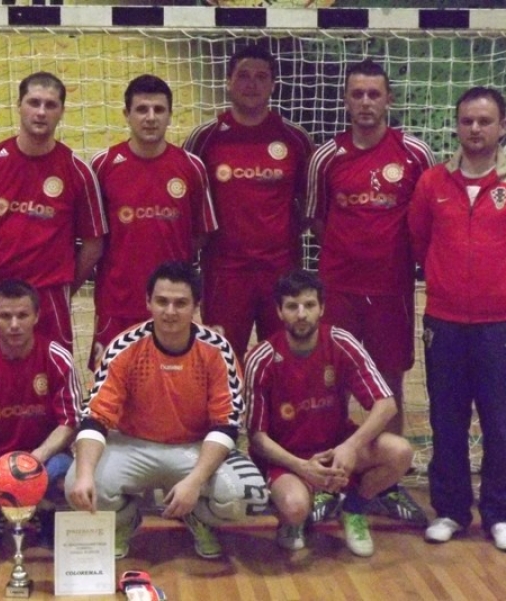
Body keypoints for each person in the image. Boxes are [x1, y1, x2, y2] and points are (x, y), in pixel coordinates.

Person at [408, 87, 506, 552]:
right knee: (446, 420)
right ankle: (451, 510)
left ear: (502, 126)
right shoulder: (432, 183)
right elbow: (419, 243)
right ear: (457, 125)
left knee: (501, 421)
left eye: (485, 121)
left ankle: (500, 514)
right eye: (467, 120)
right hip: (444, 322)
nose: (475, 129)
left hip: (501, 326)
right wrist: (447, 283)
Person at [66, 261, 269, 560]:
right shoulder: (124, 347)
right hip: (133, 445)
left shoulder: (218, 350)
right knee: (76, 484)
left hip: (195, 448)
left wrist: (194, 482)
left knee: (250, 496)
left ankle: (195, 514)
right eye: (162, 301)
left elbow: (226, 424)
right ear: (148, 302)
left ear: (196, 306)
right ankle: (126, 520)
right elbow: (95, 418)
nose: (170, 311)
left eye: (181, 303)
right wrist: (85, 475)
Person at [305, 59, 434, 525]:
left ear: (388, 99)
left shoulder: (414, 154)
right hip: (339, 289)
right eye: (357, 94)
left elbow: (427, 219)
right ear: (345, 100)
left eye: (373, 94)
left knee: (389, 382)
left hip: (391, 291)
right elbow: (317, 220)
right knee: (332, 385)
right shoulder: (326, 157)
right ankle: (332, 480)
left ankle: (384, 483)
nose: (365, 102)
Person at [244, 269, 413, 557]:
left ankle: (354, 508)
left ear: (322, 308)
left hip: (337, 448)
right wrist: (302, 467)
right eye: (292, 306)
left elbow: (386, 404)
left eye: (309, 305)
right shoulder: (261, 358)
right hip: (288, 457)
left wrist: (350, 447)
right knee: (294, 507)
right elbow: (257, 438)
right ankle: (293, 519)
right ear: (279, 311)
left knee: (400, 452)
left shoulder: (340, 342)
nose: (301, 314)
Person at [0, 71, 107, 354]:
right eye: (34, 102)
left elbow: (93, 244)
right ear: (19, 105)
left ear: (61, 111)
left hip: (49, 297)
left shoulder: (77, 171)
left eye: (50, 105)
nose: (41, 112)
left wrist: (64, 287)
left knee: (50, 376)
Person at [184, 44, 314, 359]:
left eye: (261, 77)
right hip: (224, 274)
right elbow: (189, 208)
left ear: (273, 84)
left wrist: (282, 237)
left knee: (283, 360)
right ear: (228, 82)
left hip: (280, 271)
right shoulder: (205, 138)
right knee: (221, 360)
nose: (252, 84)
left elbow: (310, 203)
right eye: (243, 76)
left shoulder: (295, 139)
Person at [89, 74, 217, 369]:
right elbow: (93, 236)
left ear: (170, 115)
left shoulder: (191, 166)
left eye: (159, 110)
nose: (150, 118)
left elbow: (200, 234)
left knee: (171, 385)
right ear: (127, 114)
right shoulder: (102, 165)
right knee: (109, 387)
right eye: (141, 109)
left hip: (172, 307)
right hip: (117, 305)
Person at [0, 279, 82, 548]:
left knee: (66, 478)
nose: (14, 324)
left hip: (42, 457)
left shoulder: (58, 358)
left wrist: (34, 461)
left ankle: (45, 512)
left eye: (22, 315)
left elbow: (70, 422)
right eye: (5, 316)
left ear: (37, 316)